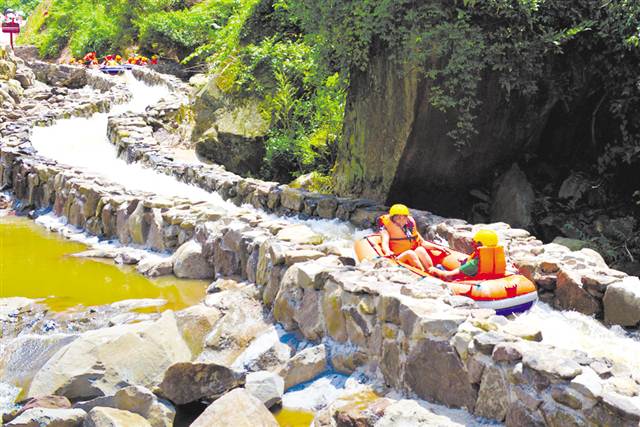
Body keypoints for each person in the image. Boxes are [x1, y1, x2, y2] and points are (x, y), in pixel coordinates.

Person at [378, 204, 444, 271]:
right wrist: (387, 251)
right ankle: (423, 273)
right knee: (410, 253)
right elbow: (385, 242)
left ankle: (432, 270)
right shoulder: (386, 227)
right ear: (392, 218)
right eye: (398, 218)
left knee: (420, 249)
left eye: (404, 217)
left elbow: (423, 242)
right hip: (397, 257)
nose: (401, 220)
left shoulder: (409, 226)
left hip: (411, 255)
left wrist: (437, 247)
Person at [428, 229, 506, 281]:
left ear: (479, 245)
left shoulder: (473, 265)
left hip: (472, 284)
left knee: (438, 267)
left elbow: (448, 276)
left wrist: (435, 270)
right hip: (488, 281)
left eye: (474, 242)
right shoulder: (497, 258)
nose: (472, 244)